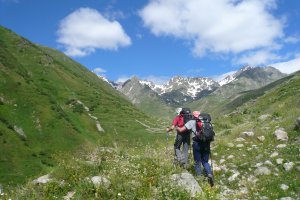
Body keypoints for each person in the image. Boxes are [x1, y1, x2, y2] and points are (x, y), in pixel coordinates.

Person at [176, 111, 214, 187]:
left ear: (193, 116)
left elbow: (181, 130)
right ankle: (209, 174)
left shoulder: (192, 122)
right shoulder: (207, 122)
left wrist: (176, 127)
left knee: (197, 162)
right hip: (207, 143)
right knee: (205, 161)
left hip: (197, 144)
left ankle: (199, 179)